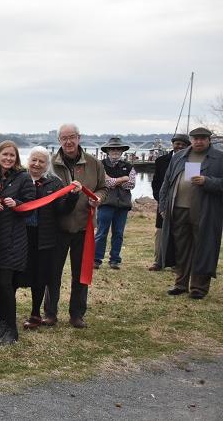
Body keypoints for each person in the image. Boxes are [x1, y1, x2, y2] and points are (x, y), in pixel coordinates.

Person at [49, 124, 107, 328]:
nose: (68, 142)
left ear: (79, 138)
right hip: (57, 227)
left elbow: (103, 187)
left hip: (84, 226)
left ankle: (77, 314)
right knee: (52, 273)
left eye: (72, 137)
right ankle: (50, 313)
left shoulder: (94, 163)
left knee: (80, 274)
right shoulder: (51, 164)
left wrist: (98, 198)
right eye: (64, 138)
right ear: (59, 141)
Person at [0, 141, 35, 345]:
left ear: (16, 158)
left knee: (5, 284)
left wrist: (17, 204)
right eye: (5, 155)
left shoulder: (23, 177)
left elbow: (31, 205)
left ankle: (12, 329)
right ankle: (3, 323)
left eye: (12, 155)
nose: (8, 159)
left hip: (12, 239)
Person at [159, 127, 223, 299]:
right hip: (179, 209)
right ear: (191, 139)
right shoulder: (179, 157)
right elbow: (167, 182)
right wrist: (163, 206)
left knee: (204, 248)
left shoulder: (219, 158)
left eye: (202, 138)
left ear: (209, 140)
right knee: (181, 248)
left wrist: (208, 181)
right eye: (195, 138)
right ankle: (180, 284)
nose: (198, 141)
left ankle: (198, 288)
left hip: (205, 212)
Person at [20, 147, 80, 330]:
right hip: (21, 236)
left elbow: (62, 209)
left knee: (40, 277)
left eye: (42, 161)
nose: (37, 164)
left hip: (44, 237)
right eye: (34, 160)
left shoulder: (54, 183)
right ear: (28, 160)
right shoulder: (20, 178)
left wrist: (72, 197)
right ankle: (6, 313)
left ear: (47, 164)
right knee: (15, 275)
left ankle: (36, 313)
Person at [94, 137, 136, 270]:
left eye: (118, 149)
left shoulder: (129, 166)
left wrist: (115, 181)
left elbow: (131, 184)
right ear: (107, 150)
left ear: (122, 151)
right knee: (101, 232)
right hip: (105, 203)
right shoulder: (100, 165)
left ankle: (115, 260)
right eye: (112, 149)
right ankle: (96, 259)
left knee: (118, 233)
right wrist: (122, 179)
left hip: (123, 205)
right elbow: (106, 182)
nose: (115, 151)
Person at [149, 134, 190, 271]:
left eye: (183, 145)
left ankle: (177, 263)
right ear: (173, 144)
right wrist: (160, 200)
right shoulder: (161, 161)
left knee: (179, 233)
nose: (180, 146)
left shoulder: (191, 161)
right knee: (160, 232)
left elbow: (191, 184)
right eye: (177, 143)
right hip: (164, 201)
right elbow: (156, 182)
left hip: (181, 203)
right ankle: (158, 262)